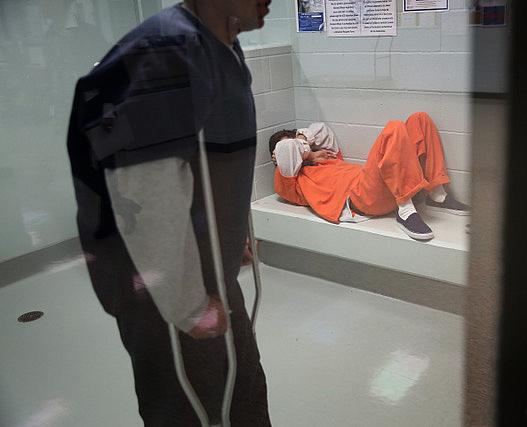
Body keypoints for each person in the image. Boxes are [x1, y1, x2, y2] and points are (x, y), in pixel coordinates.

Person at [67, 1, 272, 425]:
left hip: (201, 266)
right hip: (160, 286)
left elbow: (202, 160)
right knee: (188, 408)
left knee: (244, 393)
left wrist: (230, 231)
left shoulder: (220, 47)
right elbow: (142, 191)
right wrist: (188, 305)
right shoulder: (166, 53)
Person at [269, 112, 469, 241]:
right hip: (360, 200)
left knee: (420, 120)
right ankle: (405, 210)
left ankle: (436, 194)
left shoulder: (324, 156)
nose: (300, 147)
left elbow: (321, 128)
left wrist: (307, 145)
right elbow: (286, 150)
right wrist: (309, 152)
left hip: (377, 186)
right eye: (298, 145)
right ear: (274, 157)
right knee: (394, 128)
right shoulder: (288, 179)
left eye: (300, 141)